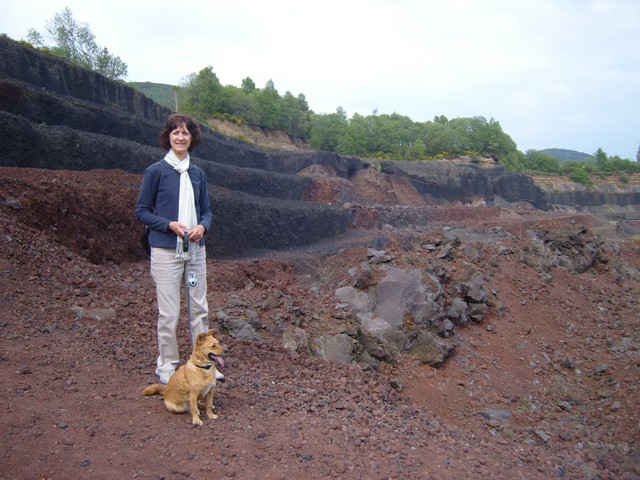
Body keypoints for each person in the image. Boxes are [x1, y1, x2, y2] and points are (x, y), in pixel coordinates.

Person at [135, 113, 213, 384]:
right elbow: (142, 211)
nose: (181, 137)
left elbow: (206, 212)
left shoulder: (198, 174)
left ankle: (202, 363)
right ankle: (167, 365)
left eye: (186, 133)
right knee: (169, 313)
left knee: (198, 307)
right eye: (176, 132)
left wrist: (202, 227)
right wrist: (169, 225)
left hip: (194, 254)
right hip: (167, 253)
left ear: (192, 139)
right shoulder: (156, 172)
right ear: (168, 137)